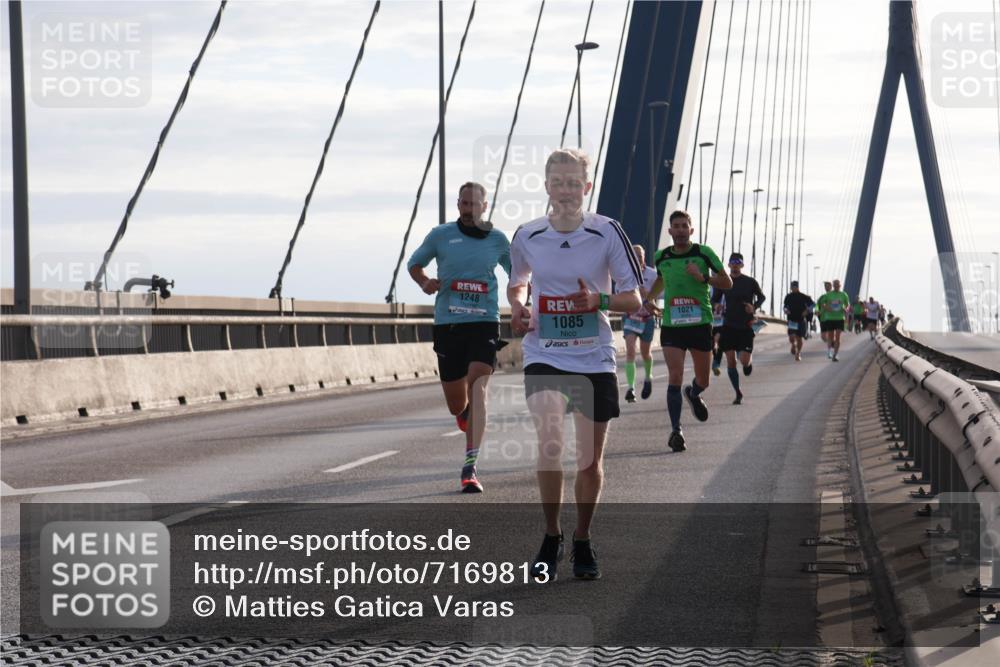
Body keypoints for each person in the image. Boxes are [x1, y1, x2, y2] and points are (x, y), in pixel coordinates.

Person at [508, 148, 642, 581]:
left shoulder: (608, 232)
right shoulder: (527, 235)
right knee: (550, 445)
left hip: (593, 355)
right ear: (547, 187)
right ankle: (552, 535)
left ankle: (582, 537)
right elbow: (518, 284)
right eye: (557, 182)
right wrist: (518, 307)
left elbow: (633, 298)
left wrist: (598, 300)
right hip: (544, 352)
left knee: (588, 461)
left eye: (573, 183)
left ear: (586, 187)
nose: (565, 190)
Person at [408, 182, 511, 493]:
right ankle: (464, 415)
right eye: (463, 204)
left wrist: (524, 299)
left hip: (484, 322)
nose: (468, 210)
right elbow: (415, 263)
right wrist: (424, 281)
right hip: (449, 324)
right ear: (458, 204)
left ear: (485, 205)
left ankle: (470, 467)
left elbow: (516, 273)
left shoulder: (497, 240)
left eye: (473, 204)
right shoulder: (441, 235)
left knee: (479, 383)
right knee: (457, 403)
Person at [644, 211, 732, 452]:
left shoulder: (704, 253)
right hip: (673, 326)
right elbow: (661, 280)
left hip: (700, 323)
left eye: (685, 226)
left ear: (691, 230)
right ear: (670, 231)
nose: (681, 230)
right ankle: (676, 431)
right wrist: (649, 299)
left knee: (703, 379)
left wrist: (703, 277)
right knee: (674, 376)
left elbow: (727, 283)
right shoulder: (661, 257)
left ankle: (693, 393)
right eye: (676, 226)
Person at [710, 252, 765, 405]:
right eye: (732, 262)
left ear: (741, 265)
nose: (734, 265)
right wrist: (717, 305)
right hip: (728, 325)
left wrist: (753, 306)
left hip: (746, 326)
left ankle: (748, 364)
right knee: (730, 361)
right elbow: (713, 299)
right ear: (728, 265)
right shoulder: (725, 282)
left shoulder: (750, 282)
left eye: (737, 262)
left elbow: (762, 297)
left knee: (744, 360)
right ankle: (738, 392)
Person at [622, 244, 659, 403]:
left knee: (645, 353)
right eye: (634, 255)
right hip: (631, 317)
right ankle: (630, 388)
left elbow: (663, 292)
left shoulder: (652, 274)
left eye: (640, 255)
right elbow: (619, 293)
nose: (637, 258)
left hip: (647, 318)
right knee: (630, 350)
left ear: (644, 257)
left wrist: (648, 295)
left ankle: (648, 377)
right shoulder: (624, 273)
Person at [816, 279, 850, 361]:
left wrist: (846, 309)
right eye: (835, 285)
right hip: (830, 318)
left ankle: (836, 354)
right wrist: (825, 308)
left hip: (840, 318)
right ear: (833, 286)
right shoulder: (828, 295)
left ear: (840, 285)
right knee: (830, 336)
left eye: (838, 285)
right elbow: (821, 304)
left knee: (837, 337)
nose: (836, 286)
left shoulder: (843, 294)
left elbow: (847, 304)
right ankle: (829, 351)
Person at [783, 280, 814, 361]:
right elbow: (785, 306)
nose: (793, 288)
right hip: (792, 320)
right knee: (792, 337)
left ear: (797, 287)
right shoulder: (788, 297)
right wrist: (786, 310)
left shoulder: (803, 296)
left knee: (799, 338)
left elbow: (813, 304)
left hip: (801, 320)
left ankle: (798, 353)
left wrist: (807, 311)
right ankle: (793, 345)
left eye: (795, 287)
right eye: (792, 287)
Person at [710, 298, 725, 376]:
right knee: (712, 344)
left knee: (719, 341)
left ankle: (716, 364)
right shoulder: (709, 289)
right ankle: (714, 362)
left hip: (722, 322)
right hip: (710, 321)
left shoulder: (726, 290)